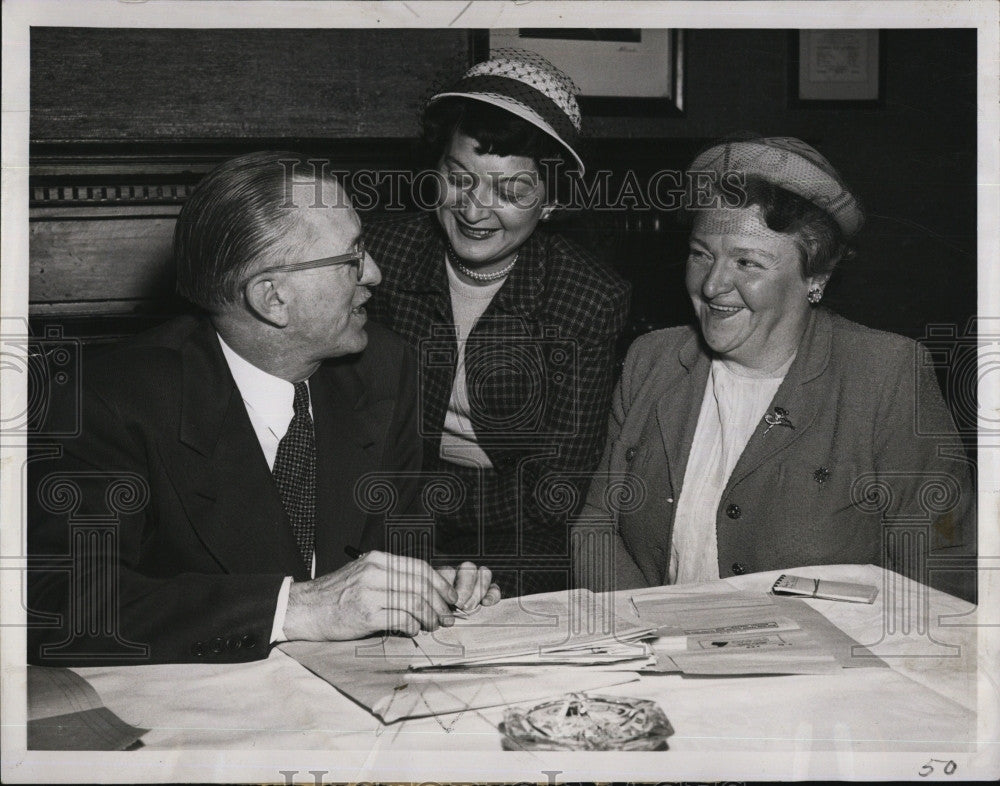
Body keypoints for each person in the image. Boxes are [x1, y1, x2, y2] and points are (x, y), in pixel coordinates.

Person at [27, 151, 500, 666]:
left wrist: (434, 588)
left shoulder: (385, 368)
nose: (376, 273)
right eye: (352, 258)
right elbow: (61, 607)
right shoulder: (106, 399)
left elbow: (390, 548)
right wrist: (292, 608)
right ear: (272, 298)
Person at [572, 136, 976, 602]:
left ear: (815, 277)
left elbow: (943, 573)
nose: (713, 283)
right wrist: (646, 632)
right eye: (702, 253)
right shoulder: (652, 360)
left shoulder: (887, 376)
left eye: (748, 262)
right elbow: (596, 528)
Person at [365, 50, 631, 595]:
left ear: (551, 201)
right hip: (383, 518)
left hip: (517, 540)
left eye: (510, 191)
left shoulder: (588, 297)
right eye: (459, 178)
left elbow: (554, 489)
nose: (473, 210)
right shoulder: (380, 257)